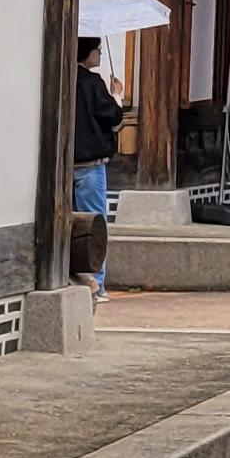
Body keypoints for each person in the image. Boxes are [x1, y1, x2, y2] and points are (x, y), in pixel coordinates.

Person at [73, 37, 125, 298]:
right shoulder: (93, 83)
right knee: (94, 225)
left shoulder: (65, 79)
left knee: (71, 225)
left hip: (66, 165)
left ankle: (77, 279)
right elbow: (113, 118)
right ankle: (97, 283)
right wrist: (117, 96)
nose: (100, 55)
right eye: (98, 50)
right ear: (89, 52)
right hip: (90, 166)